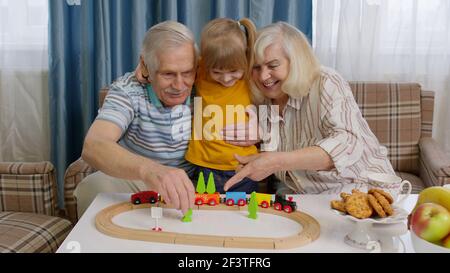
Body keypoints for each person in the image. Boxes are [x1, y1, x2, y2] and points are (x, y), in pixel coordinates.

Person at [223, 22, 395, 195]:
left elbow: (347, 144)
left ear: (296, 62)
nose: (263, 76)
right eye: (256, 67)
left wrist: (277, 161)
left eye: (273, 65)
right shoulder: (262, 99)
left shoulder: (327, 82)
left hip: (362, 190)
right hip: (304, 195)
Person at [74, 21, 198, 217]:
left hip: (195, 182)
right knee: (93, 185)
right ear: (145, 67)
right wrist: (149, 170)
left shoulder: (209, 81)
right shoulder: (128, 89)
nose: (179, 85)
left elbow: (243, 66)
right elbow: (94, 145)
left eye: (187, 73)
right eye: (167, 74)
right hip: (138, 180)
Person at [184, 18, 259, 193]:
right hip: (204, 165)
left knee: (244, 213)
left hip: (244, 166)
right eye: (217, 72)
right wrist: (143, 70)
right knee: (207, 213)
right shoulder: (201, 70)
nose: (226, 78)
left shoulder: (251, 73)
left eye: (234, 71)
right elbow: (172, 62)